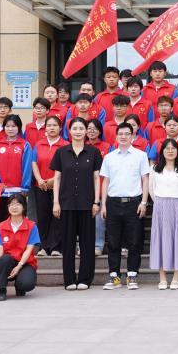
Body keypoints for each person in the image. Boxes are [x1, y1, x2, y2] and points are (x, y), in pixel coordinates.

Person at [51, 117, 103, 290]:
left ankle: (85, 279)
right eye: (75, 128)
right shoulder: (61, 152)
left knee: (87, 243)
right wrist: (56, 202)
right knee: (68, 243)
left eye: (82, 128)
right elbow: (57, 178)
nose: (78, 131)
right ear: (69, 131)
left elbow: (96, 178)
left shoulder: (93, 152)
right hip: (66, 204)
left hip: (87, 204)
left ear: (86, 131)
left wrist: (96, 202)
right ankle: (69, 279)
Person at [99, 123, 152, 290]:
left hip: (134, 203)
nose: (123, 137)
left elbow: (145, 180)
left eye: (127, 134)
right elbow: (105, 181)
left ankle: (132, 275)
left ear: (132, 135)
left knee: (134, 241)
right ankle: (114, 276)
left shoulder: (141, 156)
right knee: (113, 241)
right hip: (113, 203)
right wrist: (103, 204)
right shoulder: (109, 157)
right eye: (120, 134)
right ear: (116, 136)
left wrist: (144, 202)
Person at [148, 138, 178, 290]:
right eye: (167, 148)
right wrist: (161, 202)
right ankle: (162, 278)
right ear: (162, 152)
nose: (170, 151)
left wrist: (176, 202)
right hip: (160, 206)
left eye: (173, 148)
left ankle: (176, 277)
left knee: (177, 240)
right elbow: (151, 190)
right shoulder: (154, 169)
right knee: (160, 240)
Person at [0, 194, 39, 301]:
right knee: (4, 259)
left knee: (26, 284)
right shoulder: (1, 226)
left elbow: (29, 250)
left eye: (18, 204)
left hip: (25, 263)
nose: (14, 207)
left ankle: (19, 286)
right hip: (8, 262)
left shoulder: (32, 226)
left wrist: (19, 266)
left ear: (24, 207)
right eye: (11, 204)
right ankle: (1, 289)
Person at [31, 115, 66, 256]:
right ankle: (44, 247)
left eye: (55, 125)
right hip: (41, 186)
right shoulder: (39, 144)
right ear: (45, 128)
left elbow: (66, 165)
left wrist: (54, 179)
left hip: (59, 186)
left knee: (57, 216)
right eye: (49, 125)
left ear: (60, 128)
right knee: (43, 217)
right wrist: (39, 179)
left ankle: (56, 247)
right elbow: (34, 162)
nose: (52, 128)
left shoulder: (65, 145)